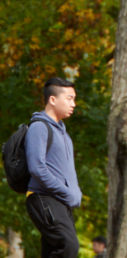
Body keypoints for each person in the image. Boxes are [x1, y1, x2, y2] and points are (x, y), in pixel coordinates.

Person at [25, 78, 80, 258]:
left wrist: (73, 192)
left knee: (52, 251)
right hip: (43, 197)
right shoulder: (39, 127)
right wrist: (66, 191)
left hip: (60, 201)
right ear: (53, 100)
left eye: (74, 99)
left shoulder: (62, 132)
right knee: (68, 246)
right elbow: (36, 168)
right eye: (69, 98)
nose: (74, 103)